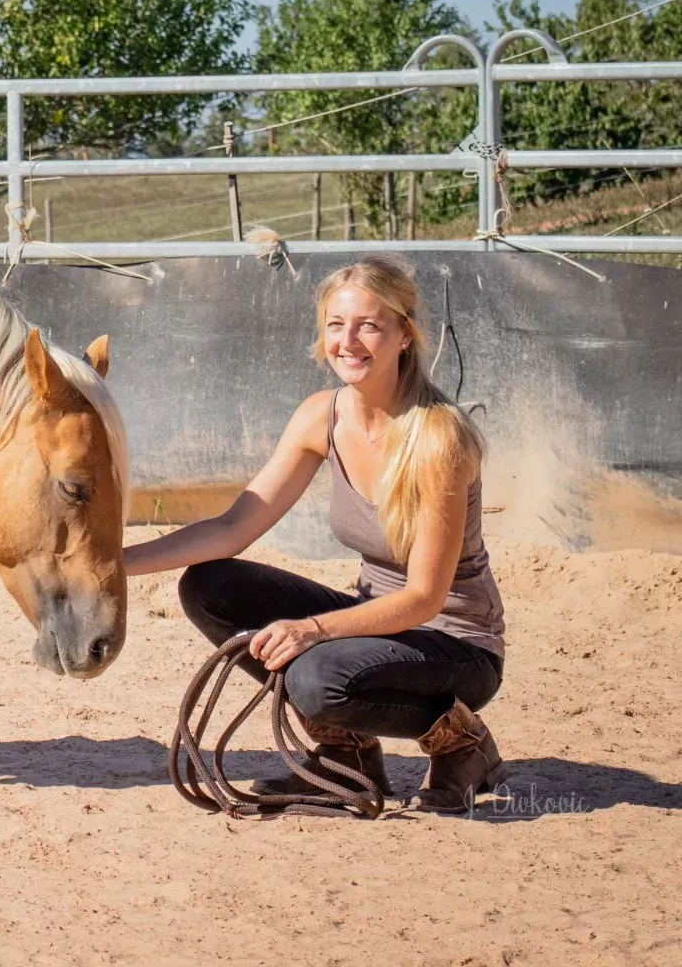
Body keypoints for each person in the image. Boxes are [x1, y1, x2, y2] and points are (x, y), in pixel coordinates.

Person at [124, 255, 506, 813]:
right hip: (376, 630)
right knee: (210, 586)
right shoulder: (318, 416)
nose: (348, 341)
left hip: (456, 647)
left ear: (404, 335)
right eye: (335, 325)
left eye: (368, 326)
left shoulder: (438, 439)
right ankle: (348, 754)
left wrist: (314, 629)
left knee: (318, 680)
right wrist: (112, 560)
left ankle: (461, 741)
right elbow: (234, 527)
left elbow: (424, 598)